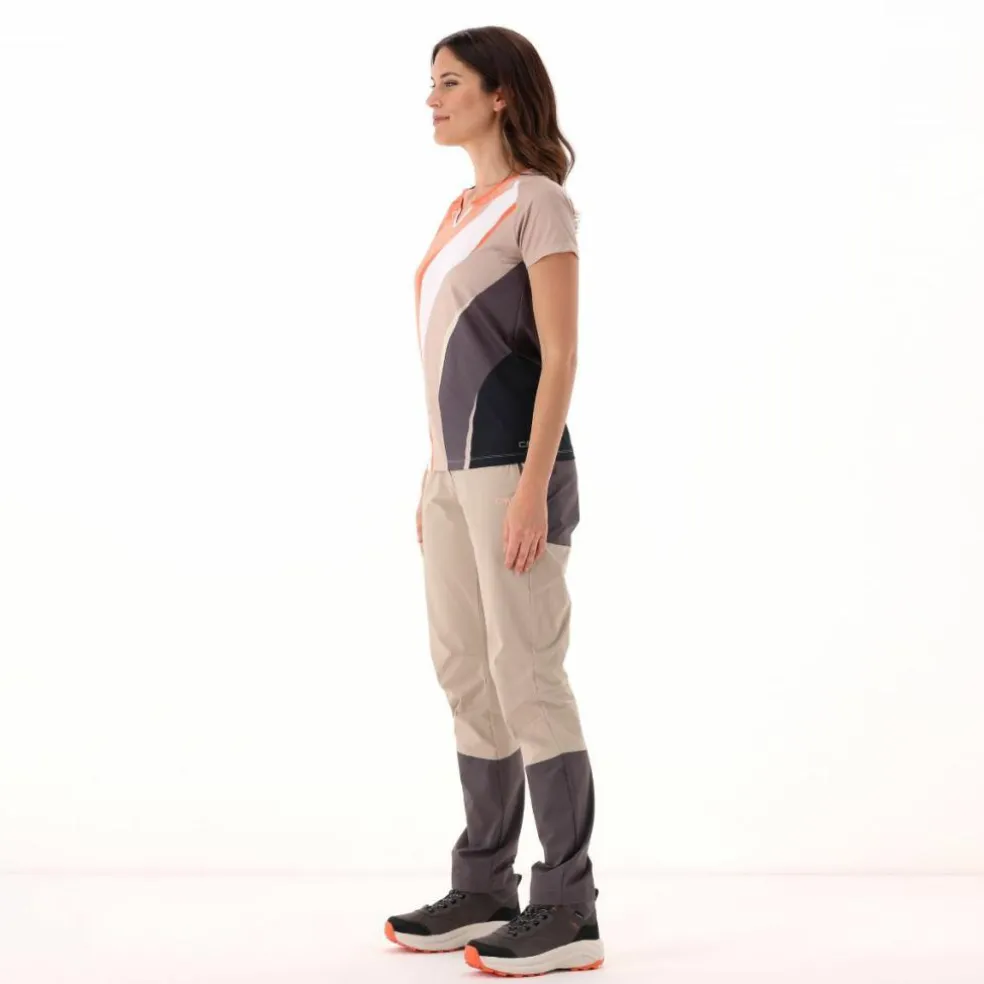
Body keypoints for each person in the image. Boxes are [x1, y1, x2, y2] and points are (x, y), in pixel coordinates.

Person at [384, 26, 603, 978]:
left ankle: (569, 905)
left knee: (528, 678)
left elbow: (561, 355)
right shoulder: (458, 208)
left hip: (515, 471)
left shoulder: (537, 203)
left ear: (500, 93)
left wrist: (529, 489)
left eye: (449, 82)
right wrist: (434, 477)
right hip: (451, 479)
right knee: (466, 673)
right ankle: (483, 885)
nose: (432, 98)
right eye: (430, 83)